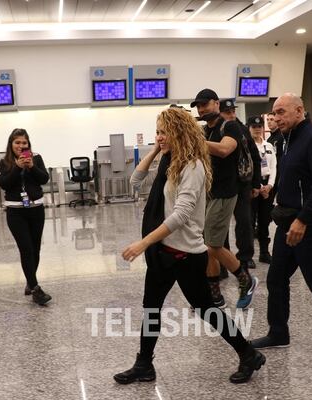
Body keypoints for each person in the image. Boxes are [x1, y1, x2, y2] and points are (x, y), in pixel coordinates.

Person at [114, 107, 265, 385]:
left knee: (206, 310)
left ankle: (248, 353)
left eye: (164, 132)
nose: (159, 137)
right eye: (157, 132)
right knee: (151, 309)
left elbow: (182, 214)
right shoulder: (169, 161)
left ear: (179, 132)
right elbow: (135, 182)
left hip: (184, 254)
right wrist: (155, 151)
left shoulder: (193, 165)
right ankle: (144, 364)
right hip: (163, 252)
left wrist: (143, 242)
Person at [250, 94, 312, 349]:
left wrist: (303, 220)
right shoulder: (284, 141)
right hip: (287, 225)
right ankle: (278, 333)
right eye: (274, 113)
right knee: (276, 278)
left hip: (307, 226)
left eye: (281, 112)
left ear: (299, 111)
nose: (276, 118)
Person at [192, 89, 257, 309]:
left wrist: (195, 140)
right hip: (209, 194)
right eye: (198, 106)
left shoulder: (229, 126)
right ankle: (215, 296)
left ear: (216, 103)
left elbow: (224, 150)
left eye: (205, 104)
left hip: (225, 192)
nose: (201, 109)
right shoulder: (203, 131)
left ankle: (245, 279)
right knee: (208, 245)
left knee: (211, 245)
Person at [0, 128, 51, 306]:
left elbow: (44, 179)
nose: (21, 146)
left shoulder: (36, 159)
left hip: (36, 209)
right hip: (15, 212)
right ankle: (36, 289)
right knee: (26, 249)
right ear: (11, 144)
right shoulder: (5, 163)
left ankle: (30, 281)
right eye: (17, 142)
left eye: (24, 142)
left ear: (28, 144)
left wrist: (31, 167)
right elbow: (4, 184)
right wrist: (17, 167)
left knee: (35, 249)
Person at [218, 98, 262, 270]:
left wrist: (255, 184)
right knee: (220, 223)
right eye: (227, 112)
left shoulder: (243, 130)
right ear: (220, 113)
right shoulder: (216, 130)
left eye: (233, 112)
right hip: (222, 185)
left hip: (242, 184)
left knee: (244, 221)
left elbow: (255, 158)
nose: (231, 115)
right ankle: (224, 257)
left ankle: (245, 257)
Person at [248, 116, 277, 264]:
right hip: (253, 188)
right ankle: (249, 257)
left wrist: (269, 186)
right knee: (250, 222)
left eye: (259, 127)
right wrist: (259, 187)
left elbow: (273, 168)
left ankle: (264, 253)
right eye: (254, 127)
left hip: (267, 188)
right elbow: (250, 169)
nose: (257, 129)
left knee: (265, 221)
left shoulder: (269, 146)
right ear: (249, 128)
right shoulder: (247, 147)